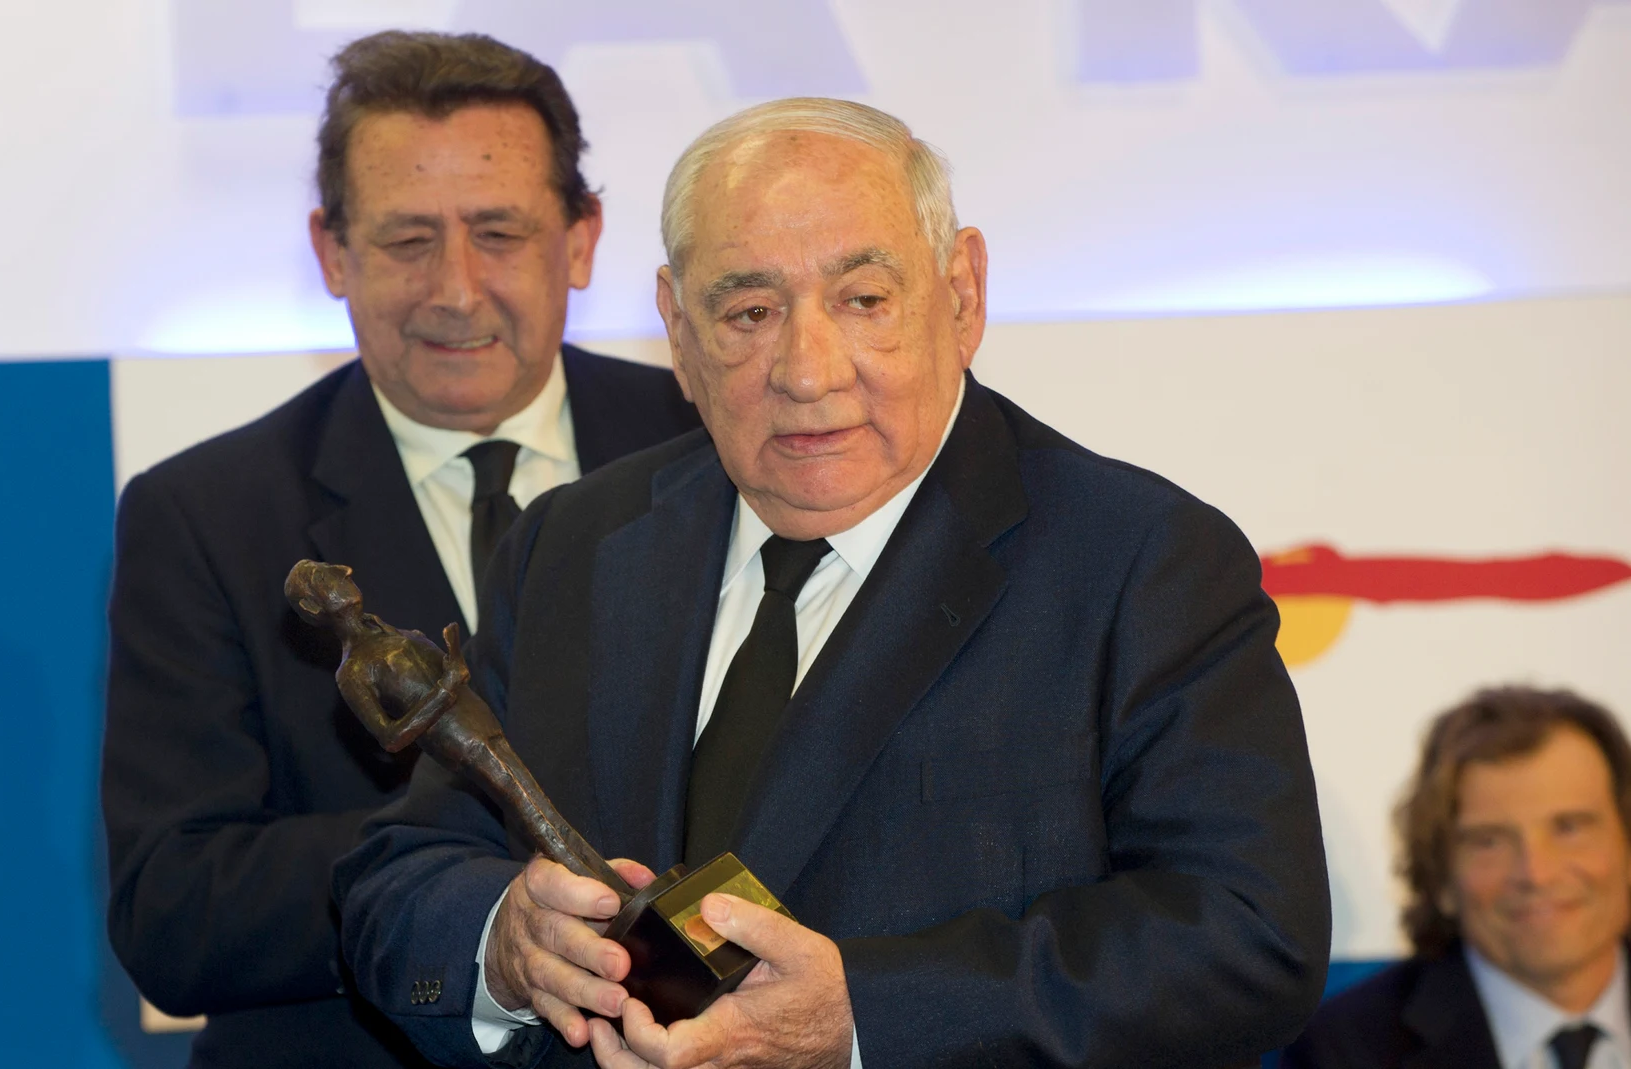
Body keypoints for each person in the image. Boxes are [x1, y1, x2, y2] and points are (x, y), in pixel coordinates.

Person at [332, 97, 1329, 1068]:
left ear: (962, 294)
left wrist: (864, 1019)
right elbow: (402, 879)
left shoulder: (1138, 562)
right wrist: (505, 944)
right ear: (677, 329)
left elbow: (1245, 935)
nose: (806, 371)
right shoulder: (575, 546)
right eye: (750, 312)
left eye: (863, 300)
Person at [102, 31, 700, 1069]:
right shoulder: (204, 515)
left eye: (499, 233)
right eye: (408, 239)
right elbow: (175, 910)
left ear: (581, 239)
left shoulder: (713, 453)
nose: (455, 290)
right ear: (332, 252)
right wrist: (465, 879)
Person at [1283, 687, 1631, 1069]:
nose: (1536, 873)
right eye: (1489, 841)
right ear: (1441, 876)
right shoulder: (1343, 1050)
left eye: (1568, 828)